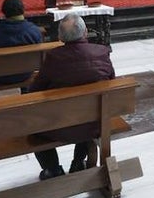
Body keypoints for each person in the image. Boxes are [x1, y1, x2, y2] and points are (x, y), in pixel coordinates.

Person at [28, 15, 116, 179]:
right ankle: (78, 162)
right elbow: (112, 82)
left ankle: (52, 168)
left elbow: (35, 91)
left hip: (60, 125)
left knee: (34, 127)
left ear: (60, 37)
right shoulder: (102, 53)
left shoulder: (54, 57)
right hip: (95, 122)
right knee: (87, 111)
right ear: (86, 32)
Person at [0, 0, 45, 100]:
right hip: (25, 73)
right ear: (23, 10)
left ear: (4, 12)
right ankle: (25, 92)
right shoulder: (34, 31)